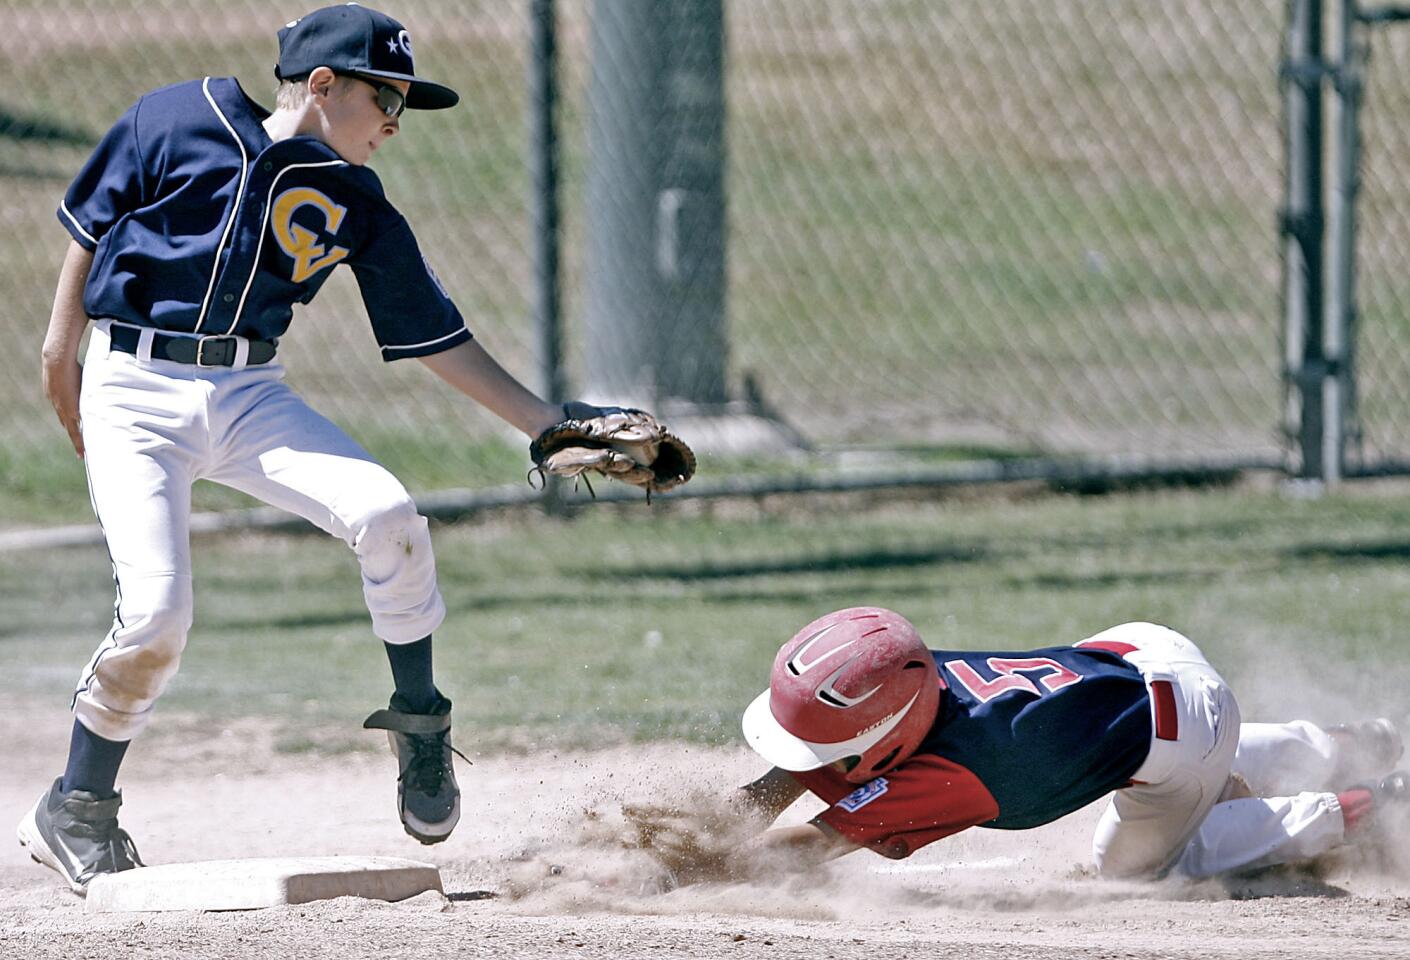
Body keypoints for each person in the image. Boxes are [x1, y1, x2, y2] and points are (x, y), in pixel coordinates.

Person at [21, 3, 628, 895]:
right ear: (322, 84)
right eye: (387, 96)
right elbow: (86, 231)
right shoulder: (176, 116)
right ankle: (78, 806)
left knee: (388, 513)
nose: (394, 120)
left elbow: (434, 337)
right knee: (157, 616)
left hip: (246, 391)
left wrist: (542, 423)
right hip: (131, 386)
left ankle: (420, 724)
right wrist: (56, 351)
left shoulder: (354, 198)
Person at [636, 607, 1407, 885]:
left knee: (1141, 869)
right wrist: (697, 827)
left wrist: (681, 873)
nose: (802, 757)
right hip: (1139, 652)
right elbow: (804, 766)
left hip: (1181, 734)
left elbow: (806, 849)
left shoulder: (960, 771)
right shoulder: (912, 677)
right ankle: (1349, 741)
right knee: (1188, 741)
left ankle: (1364, 805)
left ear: (884, 740)